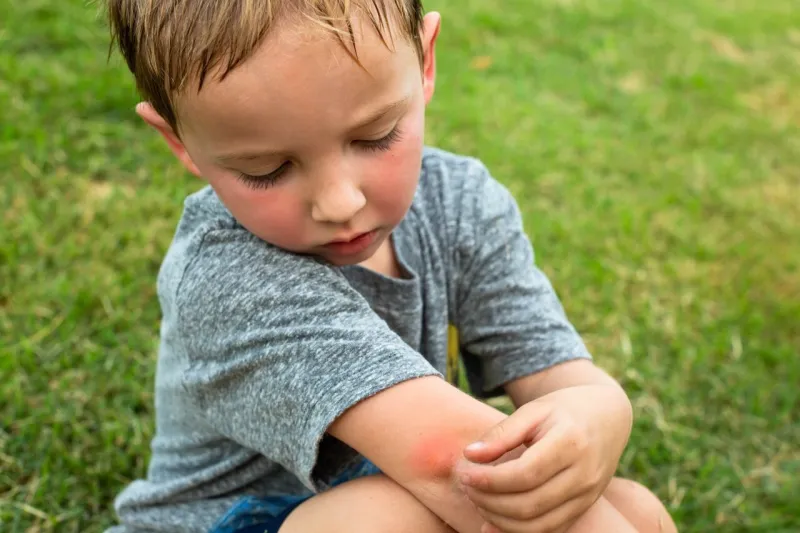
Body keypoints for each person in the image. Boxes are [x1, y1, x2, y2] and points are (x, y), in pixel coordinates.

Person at [104, 1, 677, 532]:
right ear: (179, 139)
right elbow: (454, 468)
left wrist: (599, 407)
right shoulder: (227, 278)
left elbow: (555, 369)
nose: (340, 203)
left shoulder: (460, 203)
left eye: (375, 136)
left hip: (389, 497)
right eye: (266, 169)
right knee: (387, 517)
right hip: (237, 523)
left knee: (639, 511)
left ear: (424, 62)